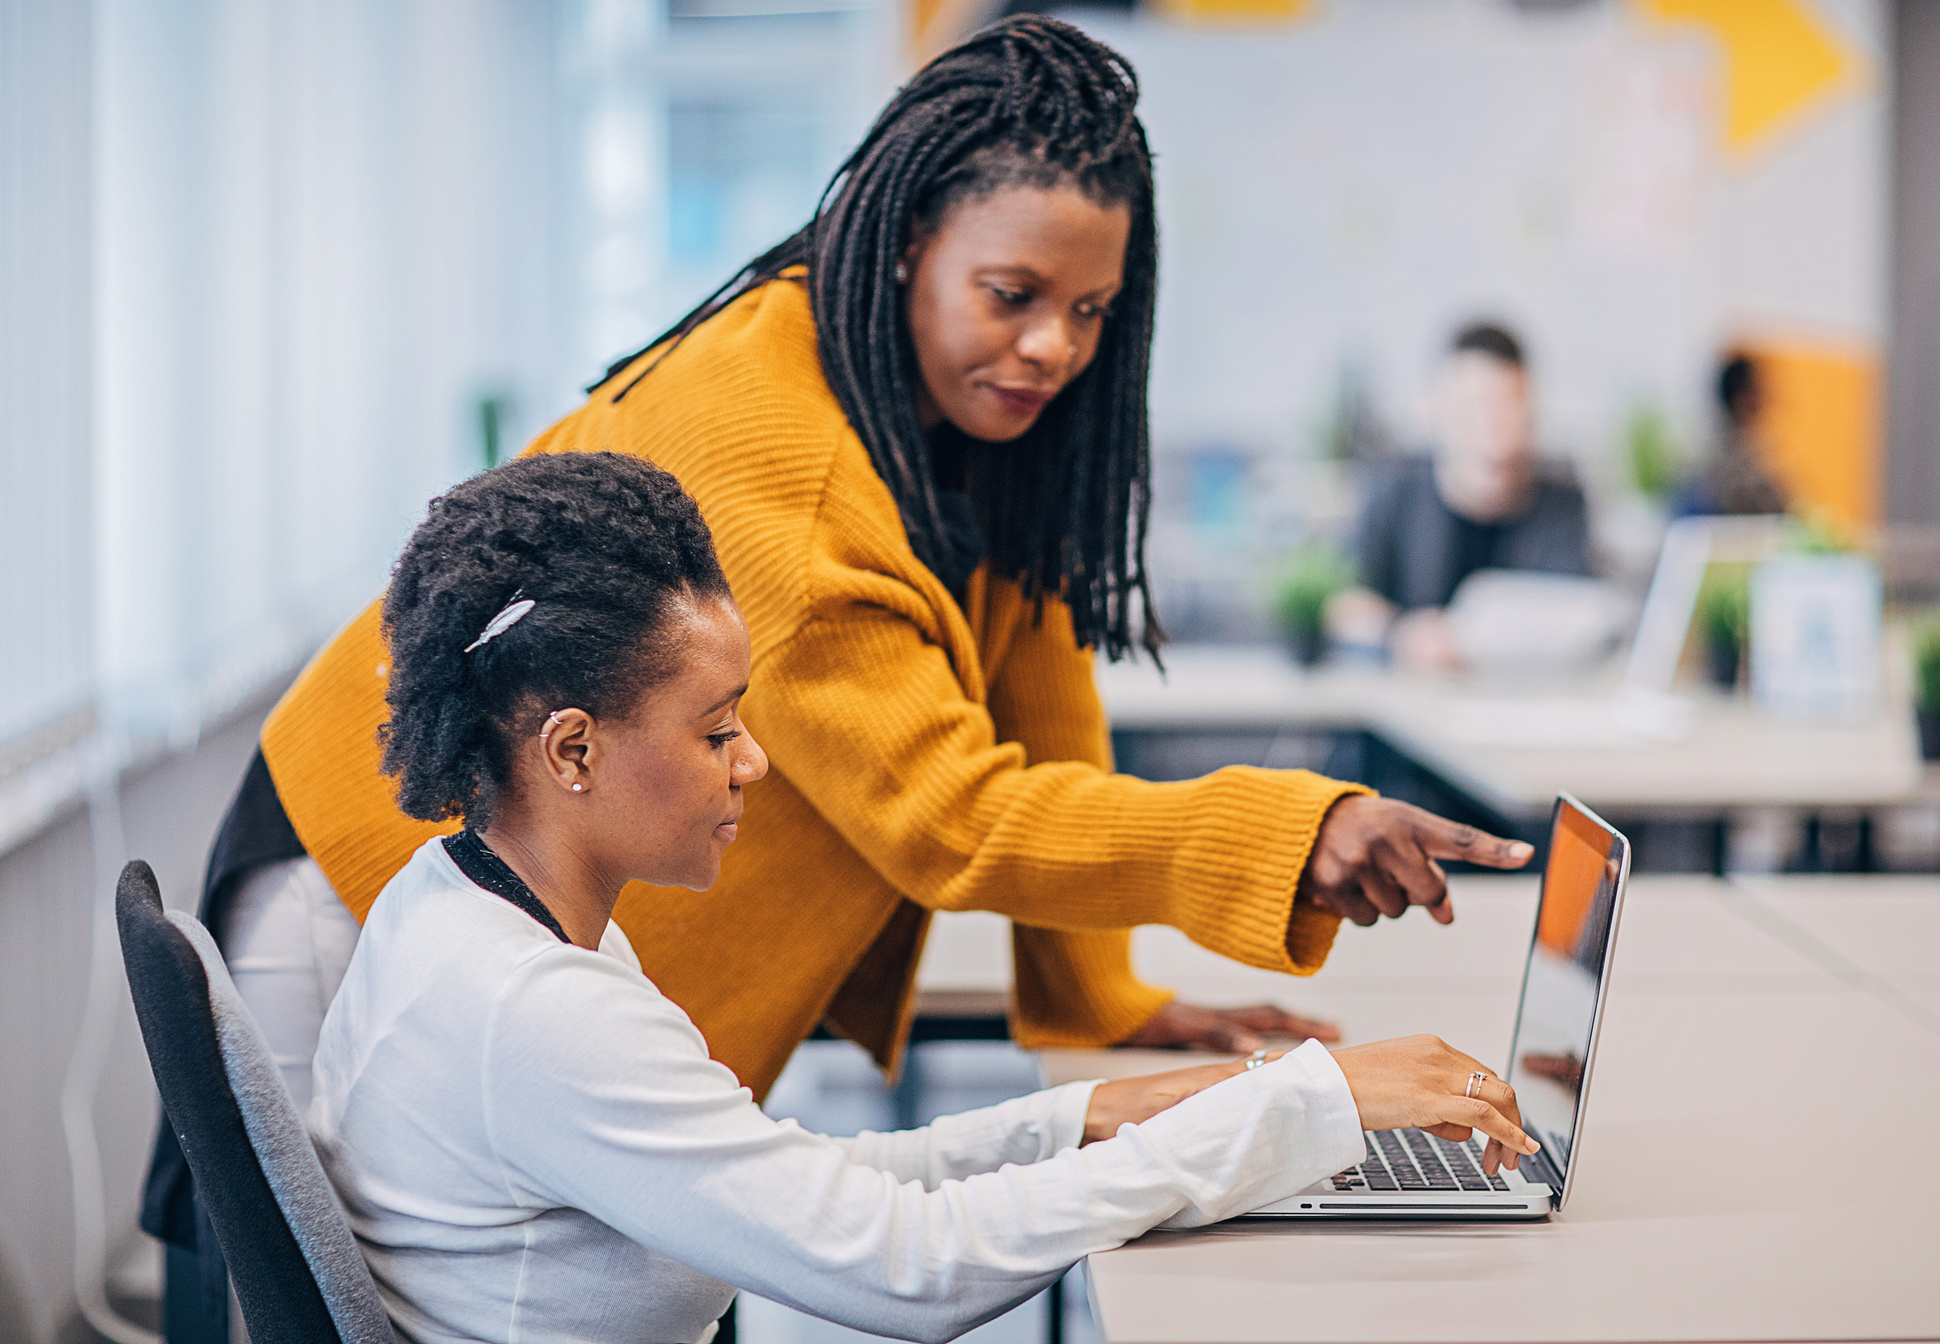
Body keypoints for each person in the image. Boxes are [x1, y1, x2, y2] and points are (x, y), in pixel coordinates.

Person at [145, 20, 1536, 1335]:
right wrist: (1300, 847)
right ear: (909, 244)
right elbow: (954, 813)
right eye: (1014, 295)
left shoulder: (949, 406)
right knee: (302, 1300)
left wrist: (1110, 1026)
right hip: (365, 876)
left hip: (528, 913)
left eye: (1093, 309)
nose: (1054, 343)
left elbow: (1037, 704)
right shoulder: (787, 466)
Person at [315, 450, 1536, 1344]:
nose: (754, 764)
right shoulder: (536, 1011)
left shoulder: (464, 906)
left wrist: (1109, 1114)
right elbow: (906, 1271)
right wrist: (1310, 1105)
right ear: (571, 750)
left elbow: (811, 1185)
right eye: (718, 729)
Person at [1331, 322, 1593, 674]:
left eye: (1508, 410)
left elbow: (1582, 614)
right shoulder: (1396, 487)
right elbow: (1342, 604)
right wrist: (1404, 635)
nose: (1493, 430)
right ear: (1435, 409)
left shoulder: (1561, 501)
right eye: (1473, 409)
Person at [1675, 351, 1788, 517]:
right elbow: (1779, 513)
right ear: (1741, 397)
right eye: (1757, 389)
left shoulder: (1707, 453)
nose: (1765, 397)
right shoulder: (1741, 459)